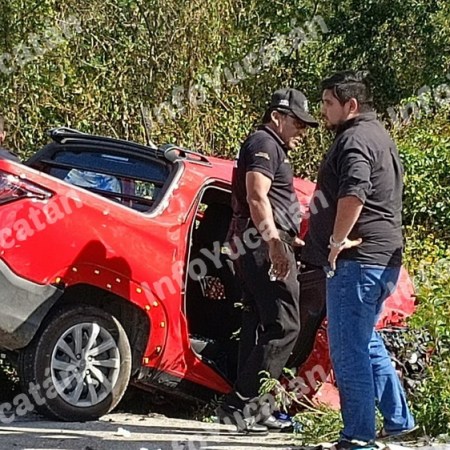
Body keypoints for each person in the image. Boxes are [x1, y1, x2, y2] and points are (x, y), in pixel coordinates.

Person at [301, 71, 415, 450]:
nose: (323, 110)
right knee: (363, 340)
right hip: (382, 257)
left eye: (328, 103)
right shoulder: (378, 135)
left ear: (351, 105)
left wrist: (336, 241)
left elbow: (354, 191)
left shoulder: (354, 140)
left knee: (348, 349)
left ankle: (358, 436)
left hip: (357, 260)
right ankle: (397, 419)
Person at [216, 88, 318, 433]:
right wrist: (275, 242)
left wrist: (288, 236)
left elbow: (268, 200)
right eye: (298, 123)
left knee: (257, 323)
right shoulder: (264, 143)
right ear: (277, 116)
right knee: (285, 325)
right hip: (261, 244)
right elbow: (257, 196)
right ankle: (244, 403)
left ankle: (248, 408)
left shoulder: (272, 147)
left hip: (258, 242)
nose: (302, 132)